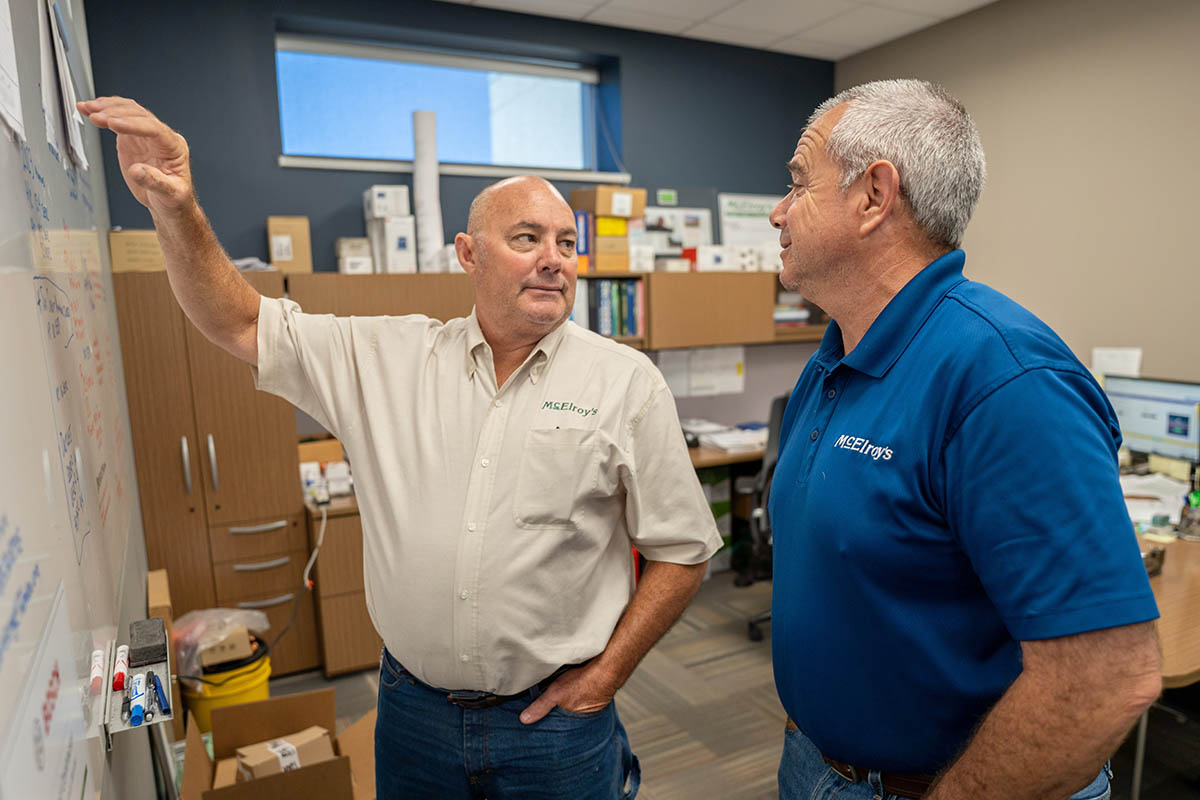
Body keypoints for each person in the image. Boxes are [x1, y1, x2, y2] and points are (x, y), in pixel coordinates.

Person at [79, 96, 722, 799]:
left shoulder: (624, 381)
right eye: (528, 239)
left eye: (567, 244)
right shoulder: (389, 359)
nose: (552, 261)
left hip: (556, 726)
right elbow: (237, 321)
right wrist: (177, 209)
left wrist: (607, 675)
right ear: (468, 255)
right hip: (414, 717)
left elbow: (683, 550)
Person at [766, 79, 1161, 800]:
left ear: (874, 196)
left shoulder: (1005, 380)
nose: (777, 212)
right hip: (820, 766)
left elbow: (1105, 678)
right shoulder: (837, 355)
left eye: (798, 185)